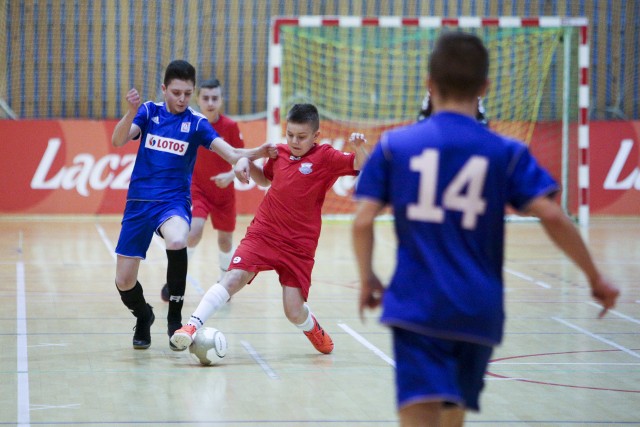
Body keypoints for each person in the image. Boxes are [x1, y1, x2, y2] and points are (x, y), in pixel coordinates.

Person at [351, 32, 620, 427]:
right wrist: (595, 277)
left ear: (429, 85)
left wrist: (367, 277)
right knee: (452, 416)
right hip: (478, 310)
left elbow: (361, 221)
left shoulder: (395, 146)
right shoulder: (506, 152)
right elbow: (553, 215)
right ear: (485, 87)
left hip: (417, 305)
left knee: (419, 416)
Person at [170, 103, 369, 354]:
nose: (294, 141)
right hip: (264, 233)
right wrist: (245, 161)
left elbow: (362, 165)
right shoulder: (280, 153)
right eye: (290, 134)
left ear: (316, 136)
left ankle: (313, 328)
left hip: (299, 245)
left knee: (293, 311)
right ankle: (190, 326)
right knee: (233, 277)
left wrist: (360, 148)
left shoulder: (326, 157)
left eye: (302, 137)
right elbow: (264, 178)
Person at [111, 59, 275, 351]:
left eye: (188, 93)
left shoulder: (196, 123)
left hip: (172, 202)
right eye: (176, 92)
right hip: (138, 203)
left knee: (177, 240)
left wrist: (252, 155)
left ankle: (175, 315)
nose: (182, 99)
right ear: (164, 89)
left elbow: (232, 151)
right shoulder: (149, 111)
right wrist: (130, 111)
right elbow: (118, 140)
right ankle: (144, 315)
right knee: (124, 281)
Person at [160, 78, 244, 301]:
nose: (210, 102)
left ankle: (224, 284)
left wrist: (231, 174)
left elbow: (241, 158)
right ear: (198, 99)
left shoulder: (230, 127)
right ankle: (175, 280)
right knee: (194, 230)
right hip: (198, 189)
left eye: (214, 98)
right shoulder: (192, 124)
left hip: (225, 191)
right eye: (205, 98)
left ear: (221, 100)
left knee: (225, 240)